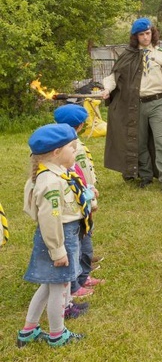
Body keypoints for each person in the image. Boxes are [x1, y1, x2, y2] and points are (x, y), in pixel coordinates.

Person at [17, 124, 88, 348]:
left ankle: (29, 329)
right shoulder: (51, 182)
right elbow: (50, 219)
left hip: (61, 236)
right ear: (57, 152)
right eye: (72, 147)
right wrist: (58, 251)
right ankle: (57, 334)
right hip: (58, 239)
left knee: (48, 286)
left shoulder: (60, 175)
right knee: (59, 287)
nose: (76, 151)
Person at [101, 18, 162, 194]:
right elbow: (114, 76)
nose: (145, 37)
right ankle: (145, 175)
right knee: (137, 142)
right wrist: (107, 89)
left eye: (148, 33)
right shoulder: (128, 55)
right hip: (135, 105)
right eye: (141, 34)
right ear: (136, 37)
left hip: (158, 103)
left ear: (152, 33)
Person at [54, 104, 104, 300]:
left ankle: (83, 276)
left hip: (80, 197)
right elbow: (82, 174)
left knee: (83, 240)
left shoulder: (60, 146)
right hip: (79, 200)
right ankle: (77, 282)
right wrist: (90, 195)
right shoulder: (75, 147)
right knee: (81, 241)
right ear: (82, 125)